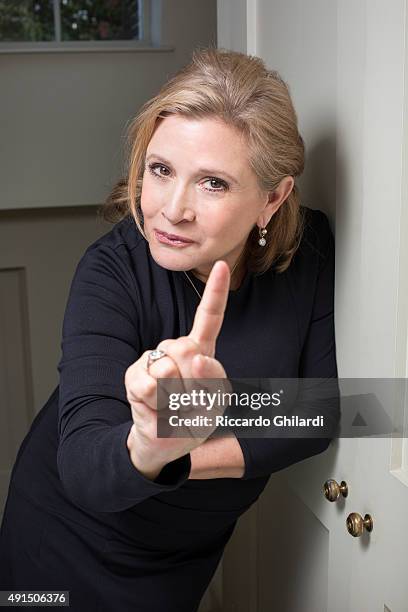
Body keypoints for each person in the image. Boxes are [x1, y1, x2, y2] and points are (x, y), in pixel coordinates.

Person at [0, 46, 340, 611]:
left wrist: (180, 452)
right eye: (160, 170)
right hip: (61, 543)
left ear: (273, 198)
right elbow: (84, 466)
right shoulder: (111, 270)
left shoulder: (310, 252)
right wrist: (153, 443)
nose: (171, 209)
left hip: (180, 555)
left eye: (213, 183)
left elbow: (321, 412)